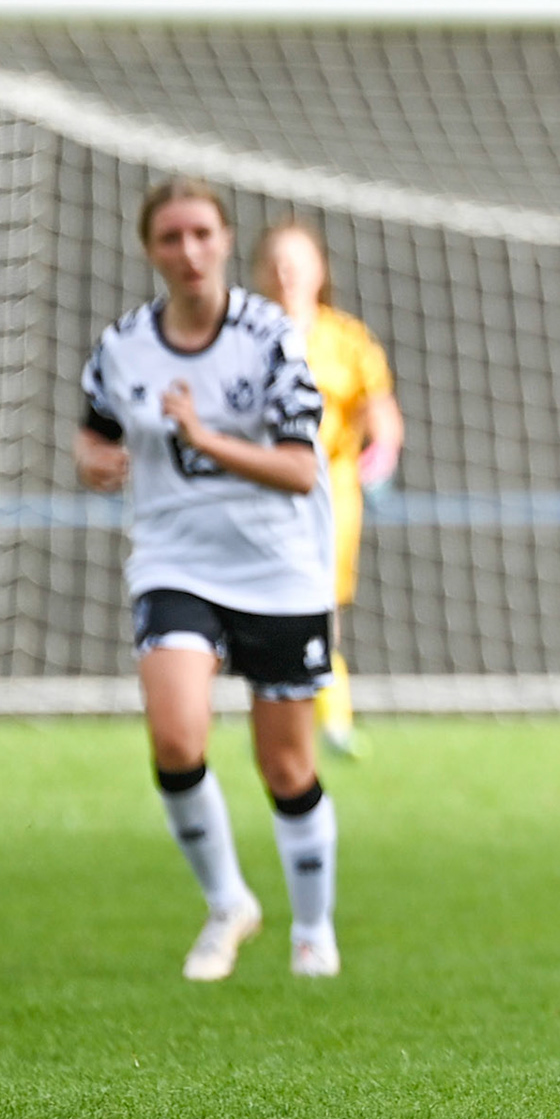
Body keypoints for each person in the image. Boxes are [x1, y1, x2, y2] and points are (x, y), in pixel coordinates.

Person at [75, 178, 343, 981]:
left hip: (278, 567)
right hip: (176, 561)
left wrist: (203, 437)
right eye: (171, 237)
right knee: (176, 738)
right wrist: (94, 463)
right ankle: (228, 903)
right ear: (149, 250)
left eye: (201, 234)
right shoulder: (123, 346)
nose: (188, 251)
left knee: (285, 767)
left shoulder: (270, 338)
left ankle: (313, 931)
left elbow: (299, 470)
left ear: (225, 241)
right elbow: (93, 433)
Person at [251, 220, 403, 758]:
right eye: (276, 261)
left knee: (318, 604)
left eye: (297, 261)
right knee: (269, 607)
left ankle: (332, 720)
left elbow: (380, 410)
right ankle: (283, 707)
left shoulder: (348, 340)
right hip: (259, 489)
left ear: (320, 271)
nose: (286, 272)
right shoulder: (244, 336)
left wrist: (380, 454)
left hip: (328, 493)